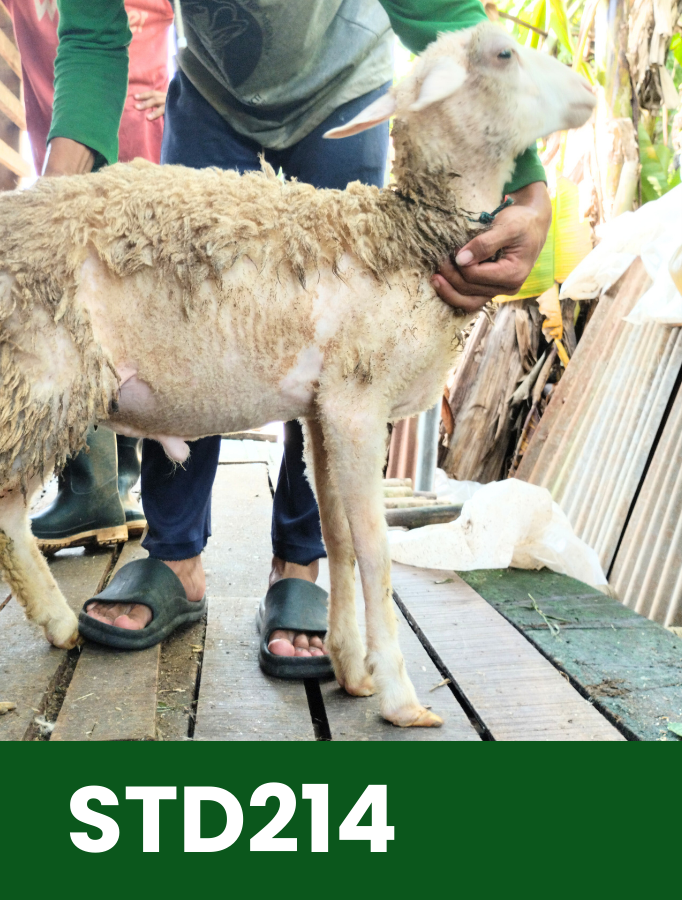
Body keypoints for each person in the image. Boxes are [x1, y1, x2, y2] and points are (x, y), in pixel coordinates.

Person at [42, 0, 552, 676]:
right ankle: (175, 555)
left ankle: (299, 563)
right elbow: (92, 33)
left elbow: (446, 17)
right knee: (186, 307)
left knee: (334, 338)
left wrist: (527, 188)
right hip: (212, 93)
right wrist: (48, 211)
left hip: (344, 94)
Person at [0, 0, 174, 551]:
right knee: (106, 304)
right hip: (78, 126)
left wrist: (183, 87)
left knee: (78, 302)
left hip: (117, 129)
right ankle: (114, 491)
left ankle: (93, 488)